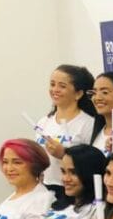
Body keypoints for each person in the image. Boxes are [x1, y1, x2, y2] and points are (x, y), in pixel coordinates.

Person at [35, 64, 97, 198]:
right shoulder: (43, 122)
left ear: (78, 93)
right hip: (44, 189)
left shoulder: (88, 124)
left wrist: (64, 154)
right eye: (52, 84)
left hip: (73, 192)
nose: (55, 90)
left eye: (62, 86)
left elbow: (93, 163)